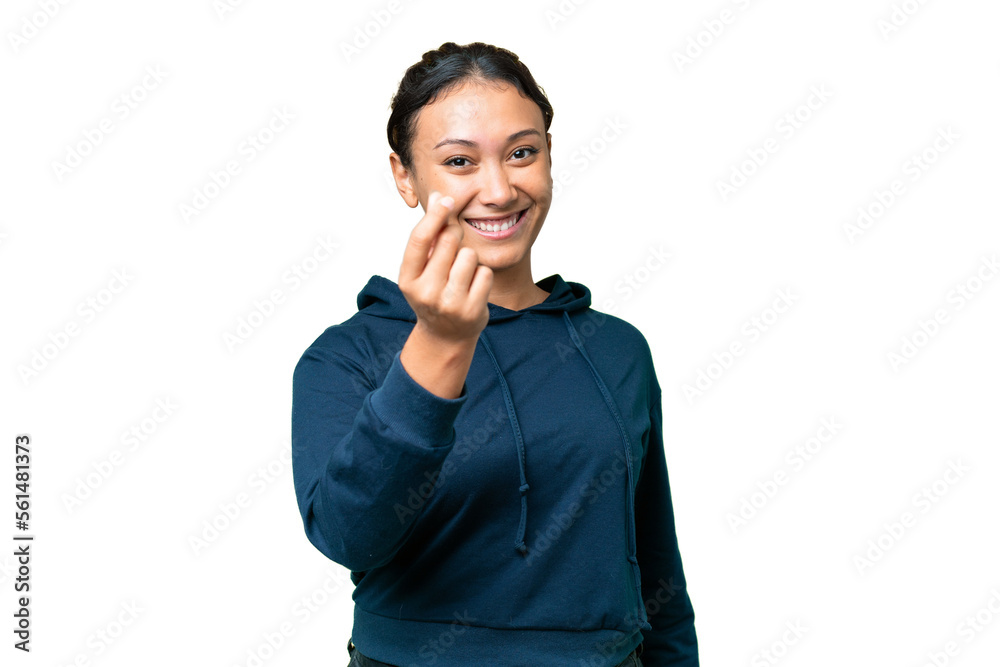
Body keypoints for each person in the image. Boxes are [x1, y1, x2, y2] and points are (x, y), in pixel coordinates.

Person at [291, 41, 698, 667]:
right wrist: (441, 344)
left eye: (521, 153)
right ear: (405, 176)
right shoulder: (346, 356)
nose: (500, 189)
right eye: (459, 161)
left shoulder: (617, 349)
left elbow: (657, 571)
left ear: (549, 156)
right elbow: (351, 537)